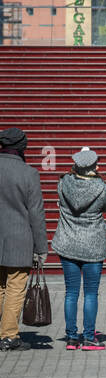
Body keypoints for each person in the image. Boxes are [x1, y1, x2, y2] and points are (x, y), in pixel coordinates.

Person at [52, 148, 106, 351]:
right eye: (97, 164)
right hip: (92, 245)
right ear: (91, 167)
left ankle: (71, 338)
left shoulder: (63, 183)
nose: (99, 166)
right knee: (90, 293)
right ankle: (88, 337)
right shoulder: (100, 187)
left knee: (71, 292)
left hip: (67, 243)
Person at [0, 128, 47, 352]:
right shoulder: (29, 173)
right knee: (16, 287)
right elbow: (36, 214)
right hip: (19, 239)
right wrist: (41, 247)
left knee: (0, 288)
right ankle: (9, 336)